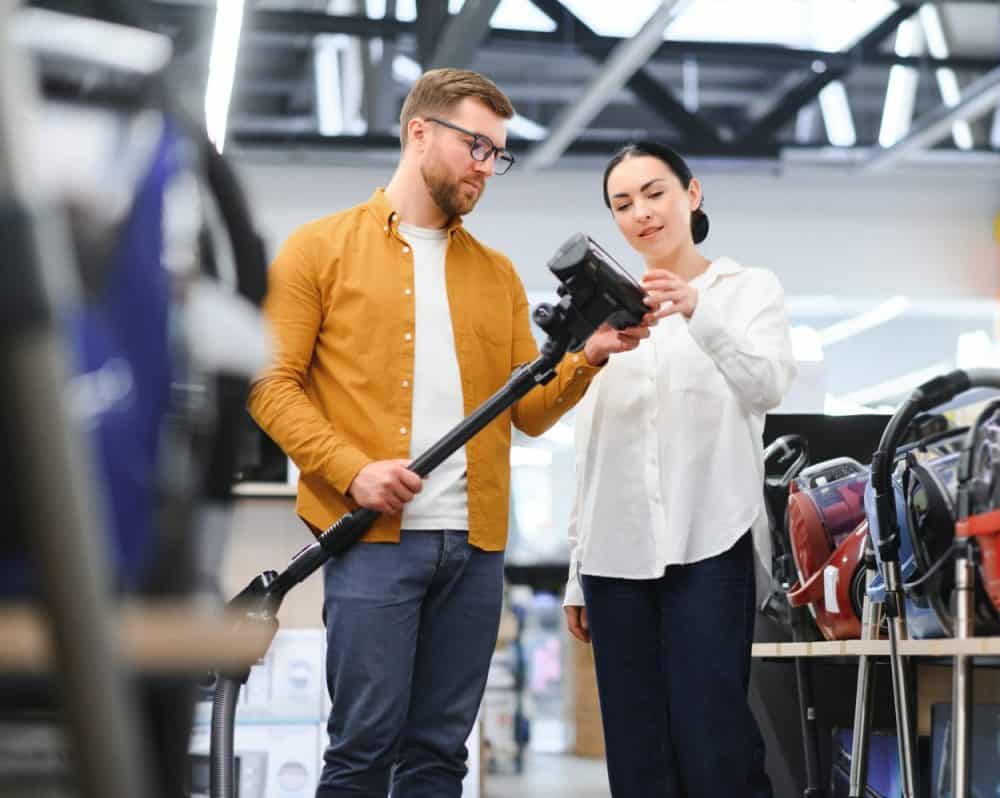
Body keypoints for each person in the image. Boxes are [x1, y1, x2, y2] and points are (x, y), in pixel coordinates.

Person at [248, 68, 649, 797]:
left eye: (498, 154)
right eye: (476, 146)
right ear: (419, 132)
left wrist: (587, 358)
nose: (486, 167)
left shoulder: (495, 276)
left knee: (440, 756)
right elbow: (268, 385)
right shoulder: (318, 250)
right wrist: (352, 470)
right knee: (363, 749)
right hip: (371, 539)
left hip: (475, 550)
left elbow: (523, 410)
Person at [563, 141, 796, 798]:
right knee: (637, 758)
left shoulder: (747, 289)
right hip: (614, 560)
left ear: (692, 195)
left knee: (715, 742)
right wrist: (577, 574)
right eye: (623, 203)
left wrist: (699, 312)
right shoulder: (609, 316)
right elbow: (594, 450)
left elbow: (767, 384)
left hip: (709, 545)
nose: (641, 212)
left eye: (654, 192)